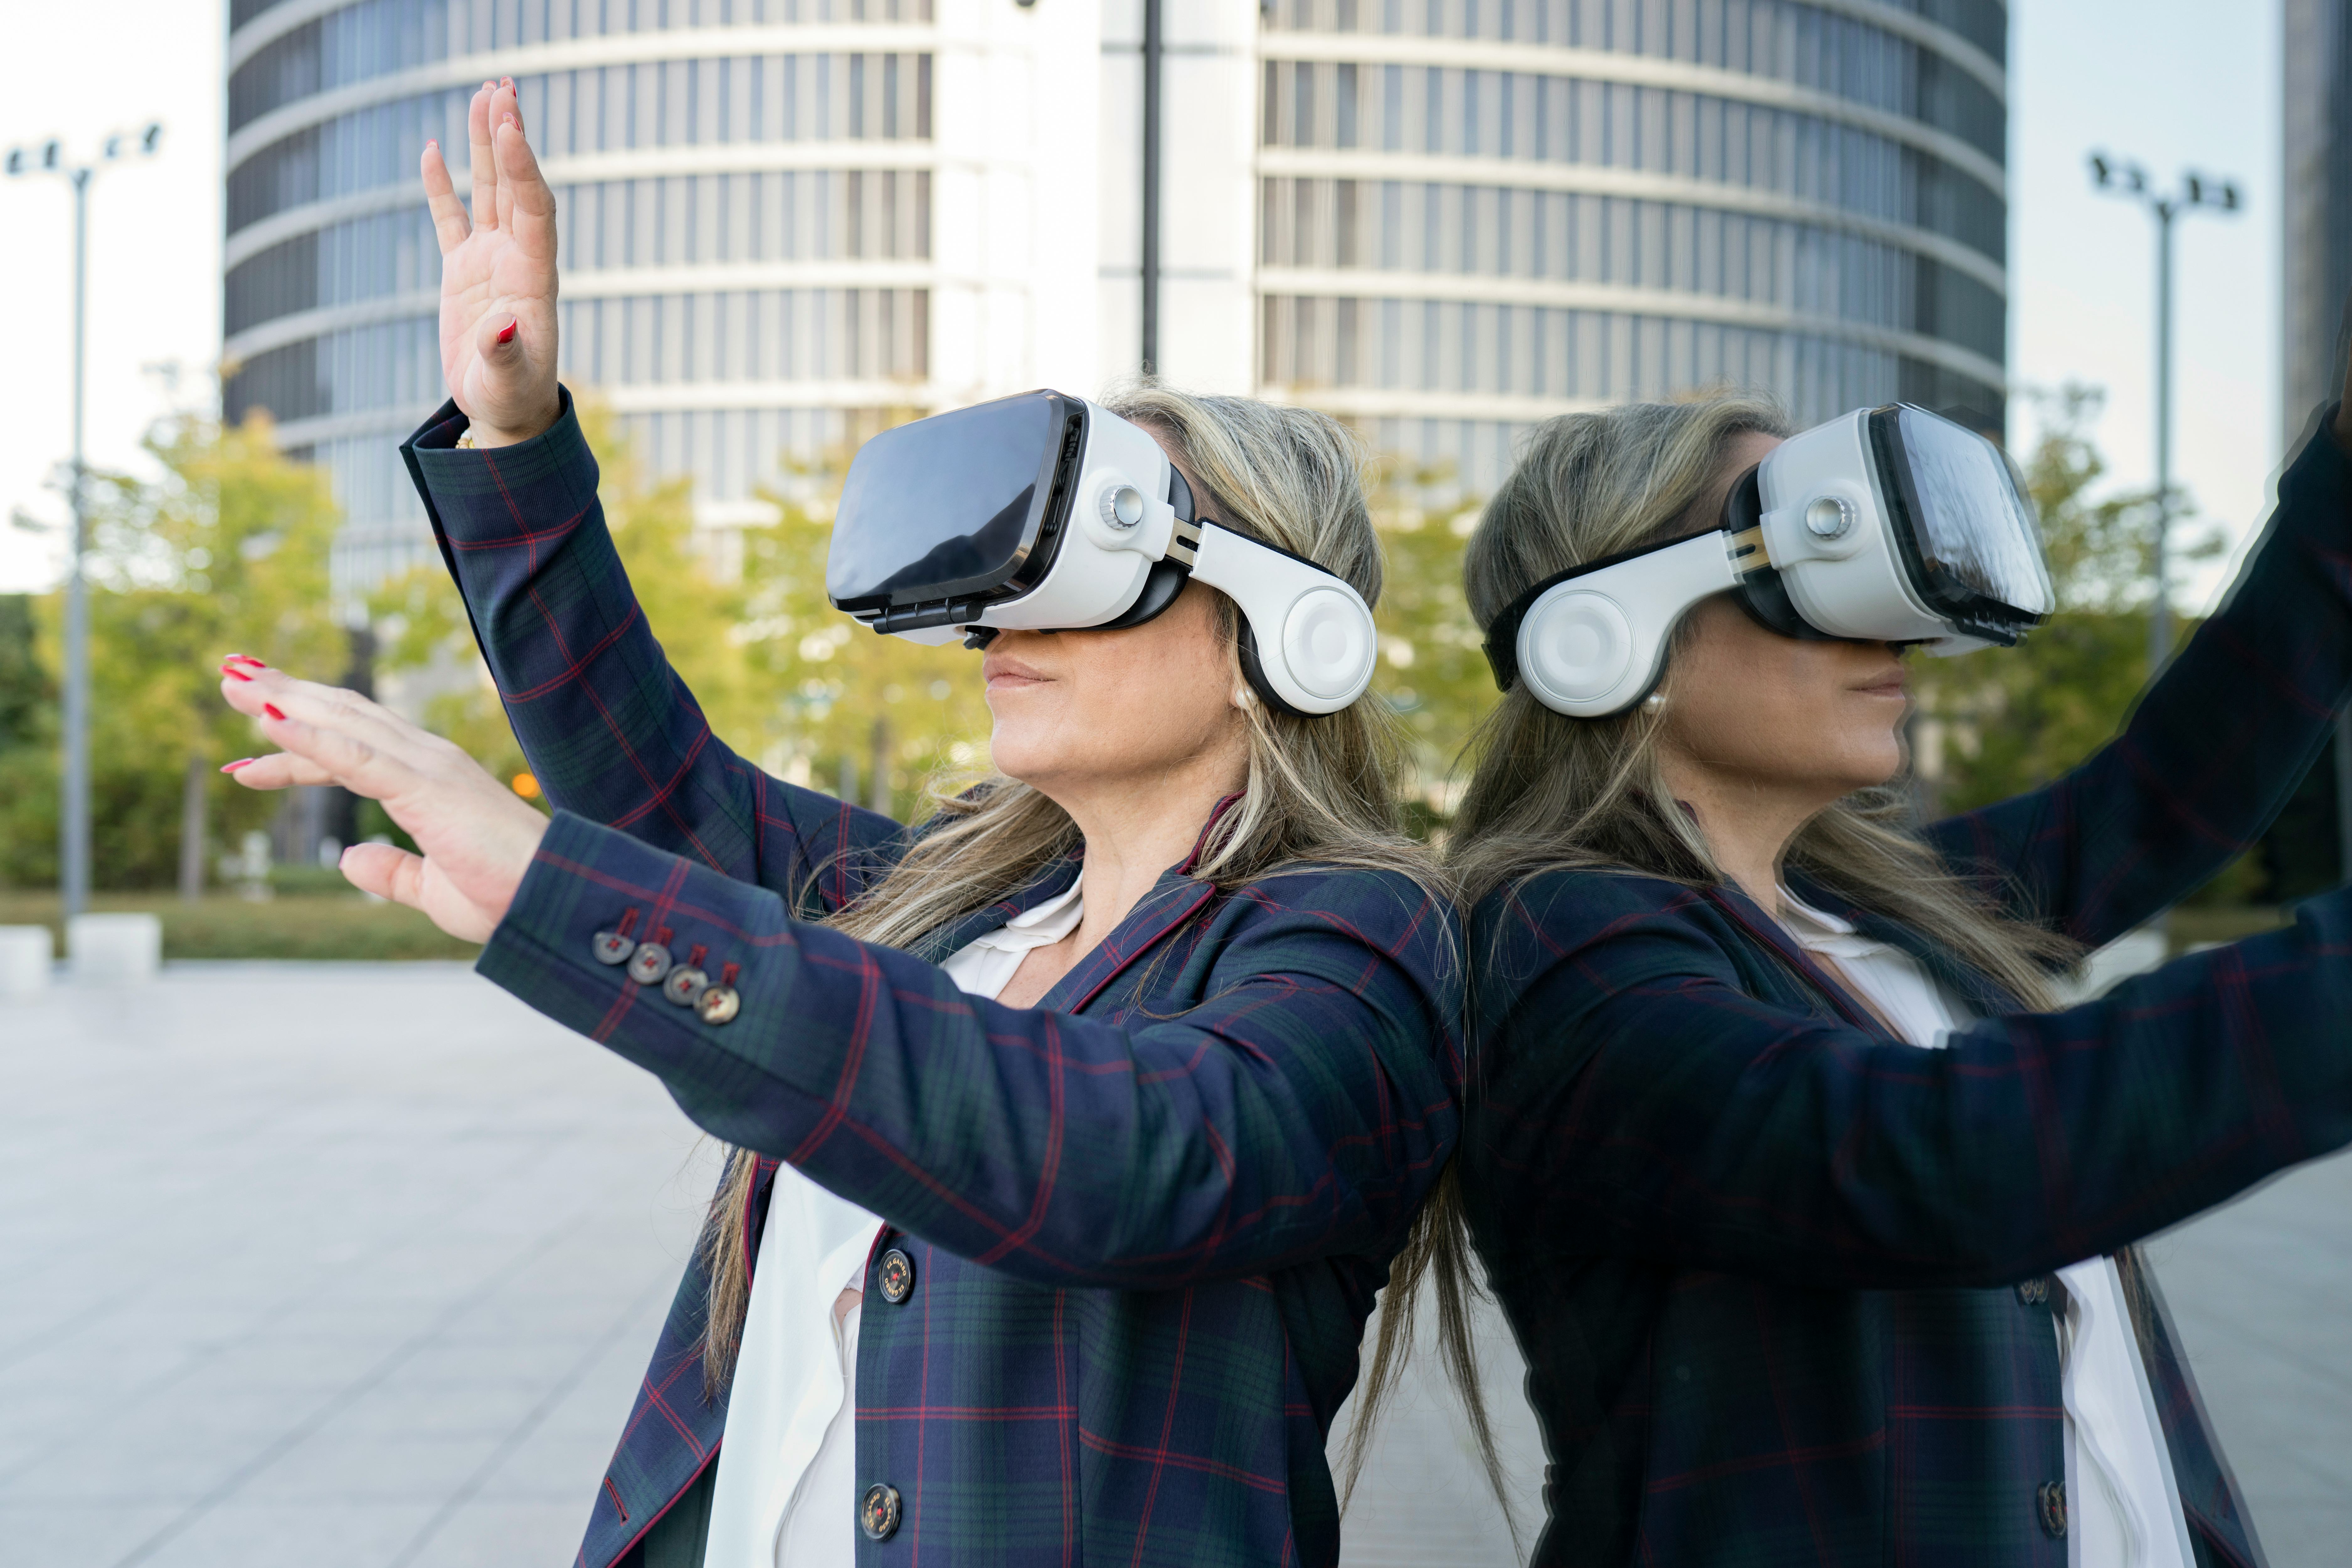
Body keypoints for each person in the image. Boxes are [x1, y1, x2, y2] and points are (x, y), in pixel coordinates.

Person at [214, 80, 1459, 1568]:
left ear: (1290, 630)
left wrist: (562, 892)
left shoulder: (1358, 946)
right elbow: (659, 785)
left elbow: (1123, 1151)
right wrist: (519, 433)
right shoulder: (943, 904)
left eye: (1088, 563)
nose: (1003, 616)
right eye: (1002, 572)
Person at [1446, 383, 2352, 1565]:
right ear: (1603, 631)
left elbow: (2169, 789)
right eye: (1809, 568)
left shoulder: (1876, 908)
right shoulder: (1558, 951)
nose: (1892, 631)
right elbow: (1933, 1159)